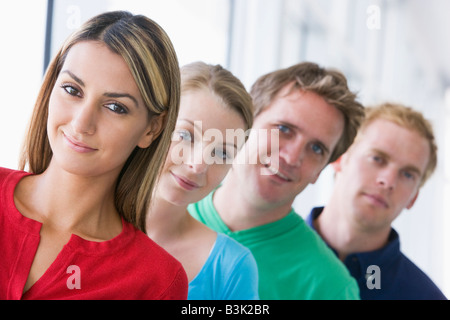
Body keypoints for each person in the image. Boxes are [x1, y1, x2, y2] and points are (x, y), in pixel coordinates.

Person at [0, 11, 188, 300]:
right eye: (72, 90)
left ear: (151, 129)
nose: (81, 123)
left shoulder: (157, 281)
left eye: (115, 107)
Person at [189, 62, 365, 299]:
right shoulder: (155, 211)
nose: (292, 157)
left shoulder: (330, 287)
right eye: (284, 129)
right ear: (245, 125)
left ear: (320, 172)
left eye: (316, 148)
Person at [306, 102, 447, 300]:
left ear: (413, 197)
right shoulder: (258, 254)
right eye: (377, 158)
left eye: (407, 174)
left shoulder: (424, 297)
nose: (388, 181)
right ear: (339, 158)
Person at [146, 61, 258, 300]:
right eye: (185, 135)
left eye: (222, 153)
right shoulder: (80, 220)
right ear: (154, 125)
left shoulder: (231, 268)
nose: (198, 164)